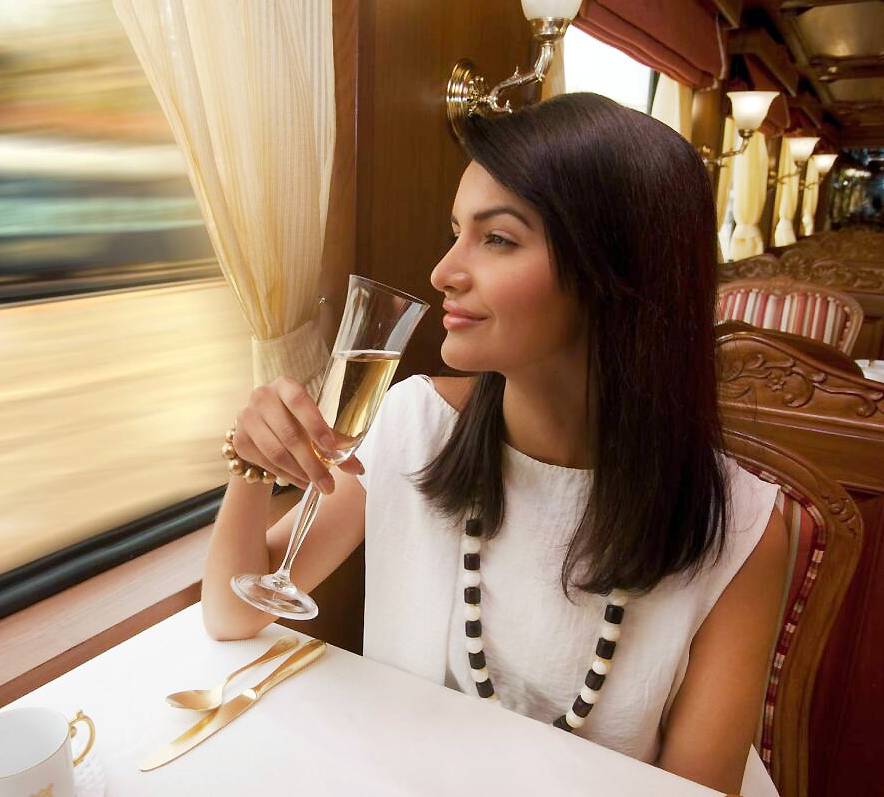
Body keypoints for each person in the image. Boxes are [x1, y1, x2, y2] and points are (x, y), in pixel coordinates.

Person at [202, 92, 788, 794]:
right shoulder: (415, 424)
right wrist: (250, 462)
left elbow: (693, 789)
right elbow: (235, 611)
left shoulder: (745, 527)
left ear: (618, 276)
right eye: (456, 231)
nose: (444, 270)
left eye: (498, 238)